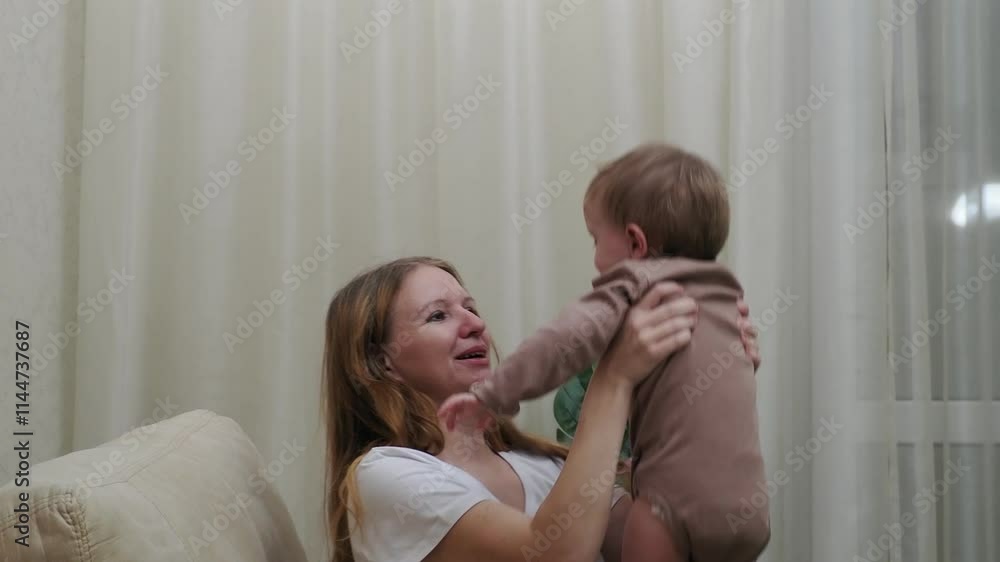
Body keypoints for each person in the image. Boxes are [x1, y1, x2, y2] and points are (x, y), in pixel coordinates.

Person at [439, 143, 770, 561]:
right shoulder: (725, 293)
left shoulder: (636, 281)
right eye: (438, 315)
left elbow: (563, 341)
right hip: (749, 509)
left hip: (667, 506)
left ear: (635, 242)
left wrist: (494, 394)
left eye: (595, 239)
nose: (596, 260)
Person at [322, 256, 761, 562]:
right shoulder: (383, 475)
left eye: (471, 308)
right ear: (382, 361)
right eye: (438, 316)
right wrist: (614, 379)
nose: (476, 324)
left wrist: (705, 393)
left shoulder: (545, 468)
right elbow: (554, 554)